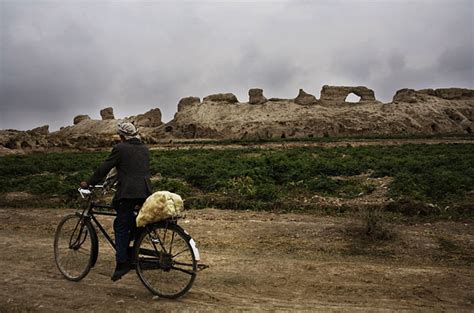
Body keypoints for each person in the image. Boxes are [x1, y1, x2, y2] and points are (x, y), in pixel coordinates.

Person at [80, 122, 152, 281]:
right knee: (135, 222)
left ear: (122, 136)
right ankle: (131, 248)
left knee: (120, 226)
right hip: (144, 192)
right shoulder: (144, 149)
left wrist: (90, 182)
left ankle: (122, 263)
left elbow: (104, 168)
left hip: (127, 193)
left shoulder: (120, 148)